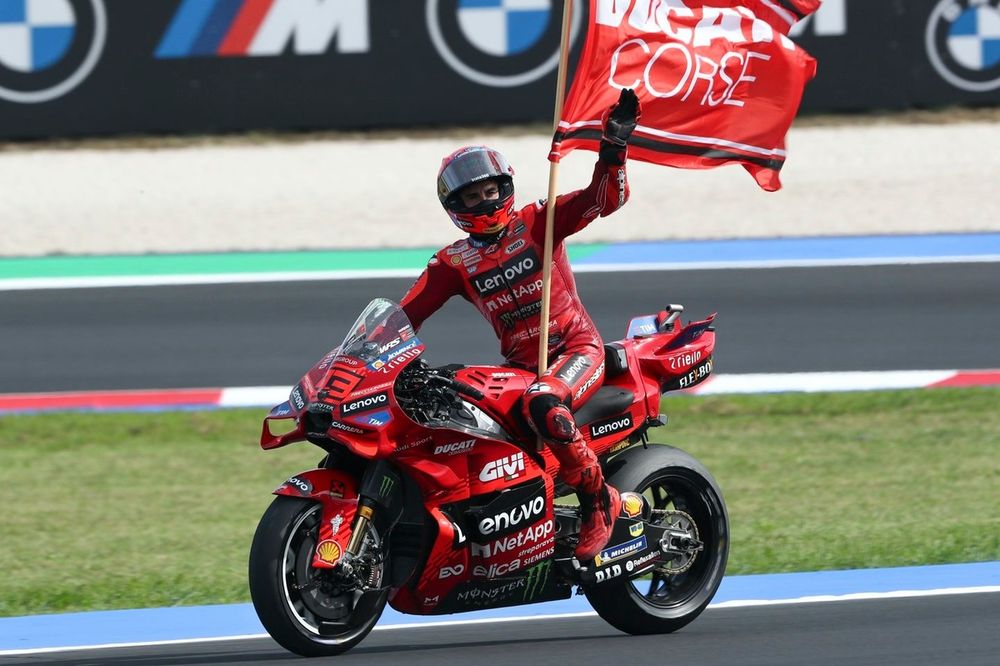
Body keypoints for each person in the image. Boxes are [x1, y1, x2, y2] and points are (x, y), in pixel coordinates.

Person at [401, 89, 640, 562]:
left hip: (576, 350)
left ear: (505, 187)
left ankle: (599, 503)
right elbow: (404, 315)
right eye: (473, 196)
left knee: (544, 402)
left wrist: (613, 145)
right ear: (454, 204)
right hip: (521, 365)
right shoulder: (454, 261)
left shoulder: (539, 220)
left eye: (490, 190)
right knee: (460, 402)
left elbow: (606, 199)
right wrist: (359, 356)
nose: (484, 200)